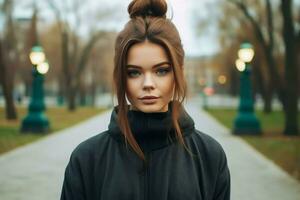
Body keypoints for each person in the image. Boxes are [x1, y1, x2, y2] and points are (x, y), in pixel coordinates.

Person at [60, 0, 231, 199]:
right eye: (134, 73)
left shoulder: (209, 156)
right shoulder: (86, 159)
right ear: (120, 77)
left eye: (161, 71)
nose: (148, 83)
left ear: (177, 72)